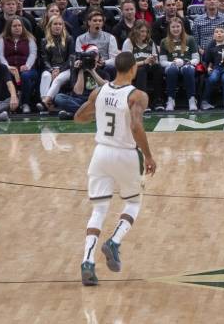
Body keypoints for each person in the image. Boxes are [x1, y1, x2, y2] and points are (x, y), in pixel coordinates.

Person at [74, 51, 156, 286]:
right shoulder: (137, 96)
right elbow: (136, 126)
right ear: (133, 69)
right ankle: (115, 241)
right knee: (133, 202)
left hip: (100, 153)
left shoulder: (98, 92)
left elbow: (79, 118)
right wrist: (149, 156)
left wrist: (99, 113)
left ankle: (87, 262)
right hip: (126, 154)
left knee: (98, 210)